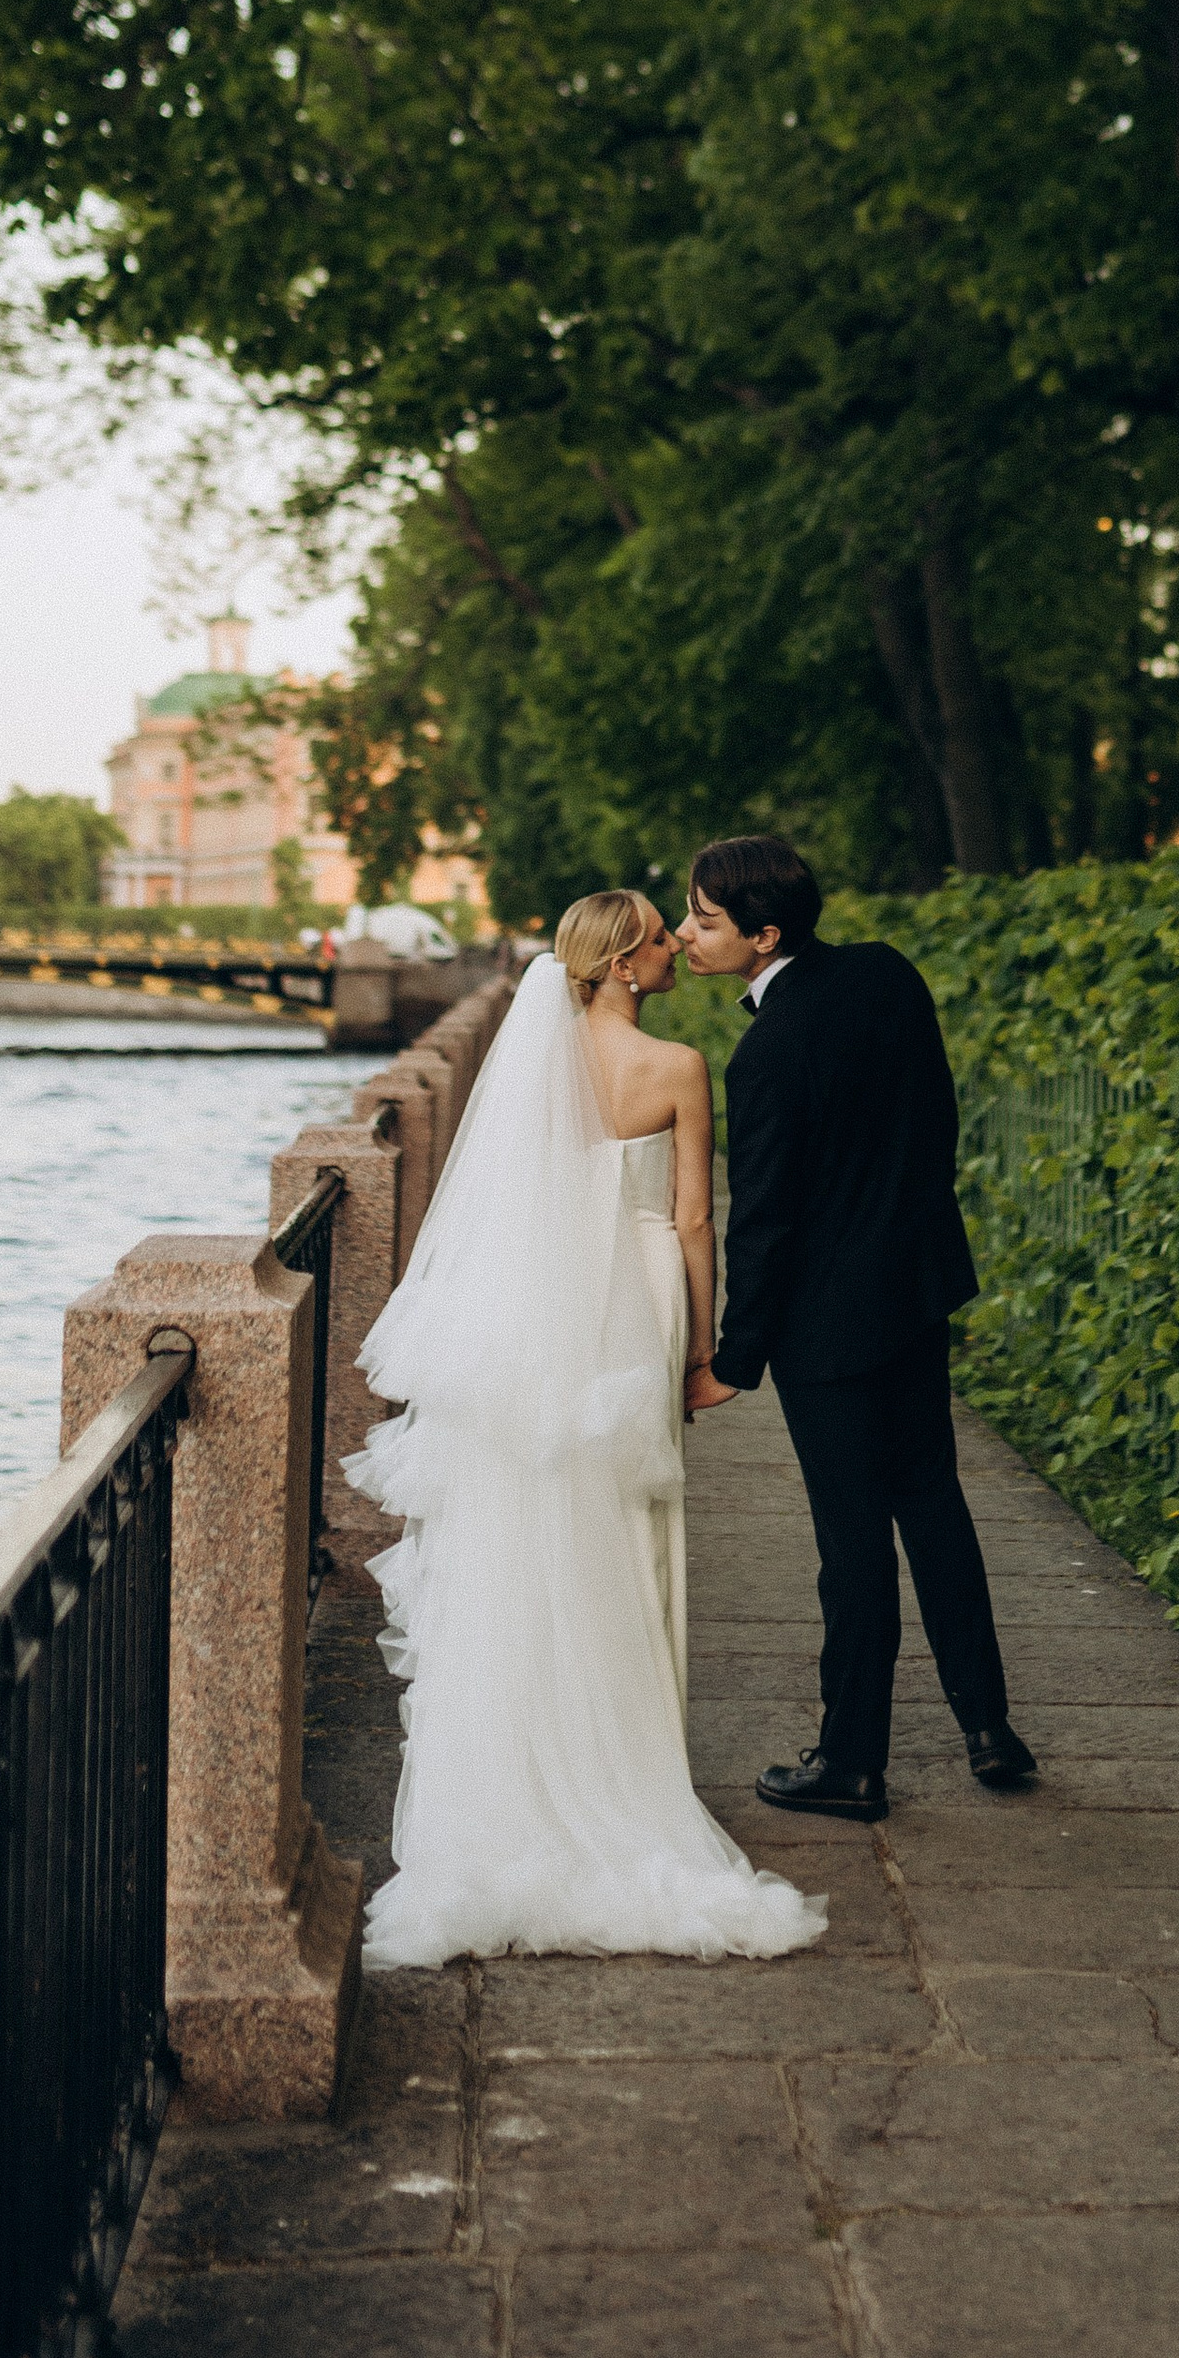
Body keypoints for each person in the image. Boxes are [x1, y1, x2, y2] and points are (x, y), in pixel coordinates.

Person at [342, 890, 825, 1967]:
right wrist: (703, 1356)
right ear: (617, 963)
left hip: (550, 1311)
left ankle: (519, 1781)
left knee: (532, 1528)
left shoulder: (535, 1074)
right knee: (630, 1522)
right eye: (658, 937)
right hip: (639, 1302)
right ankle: (628, 1771)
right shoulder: (677, 1069)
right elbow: (696, 1220)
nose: (672, 950)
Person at [677, 832, 1033, 1823]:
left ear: (763, 934)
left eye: (703, 920)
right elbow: (937, 1119)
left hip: (826, 1330)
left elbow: (766, 1223)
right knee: (932, 1503)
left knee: (852, 1541)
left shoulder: (763, 1054)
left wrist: (730, 1362)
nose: (685, 934)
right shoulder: (888, 976)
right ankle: (988, 1727)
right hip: (915, 1289)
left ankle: (850, 1761)